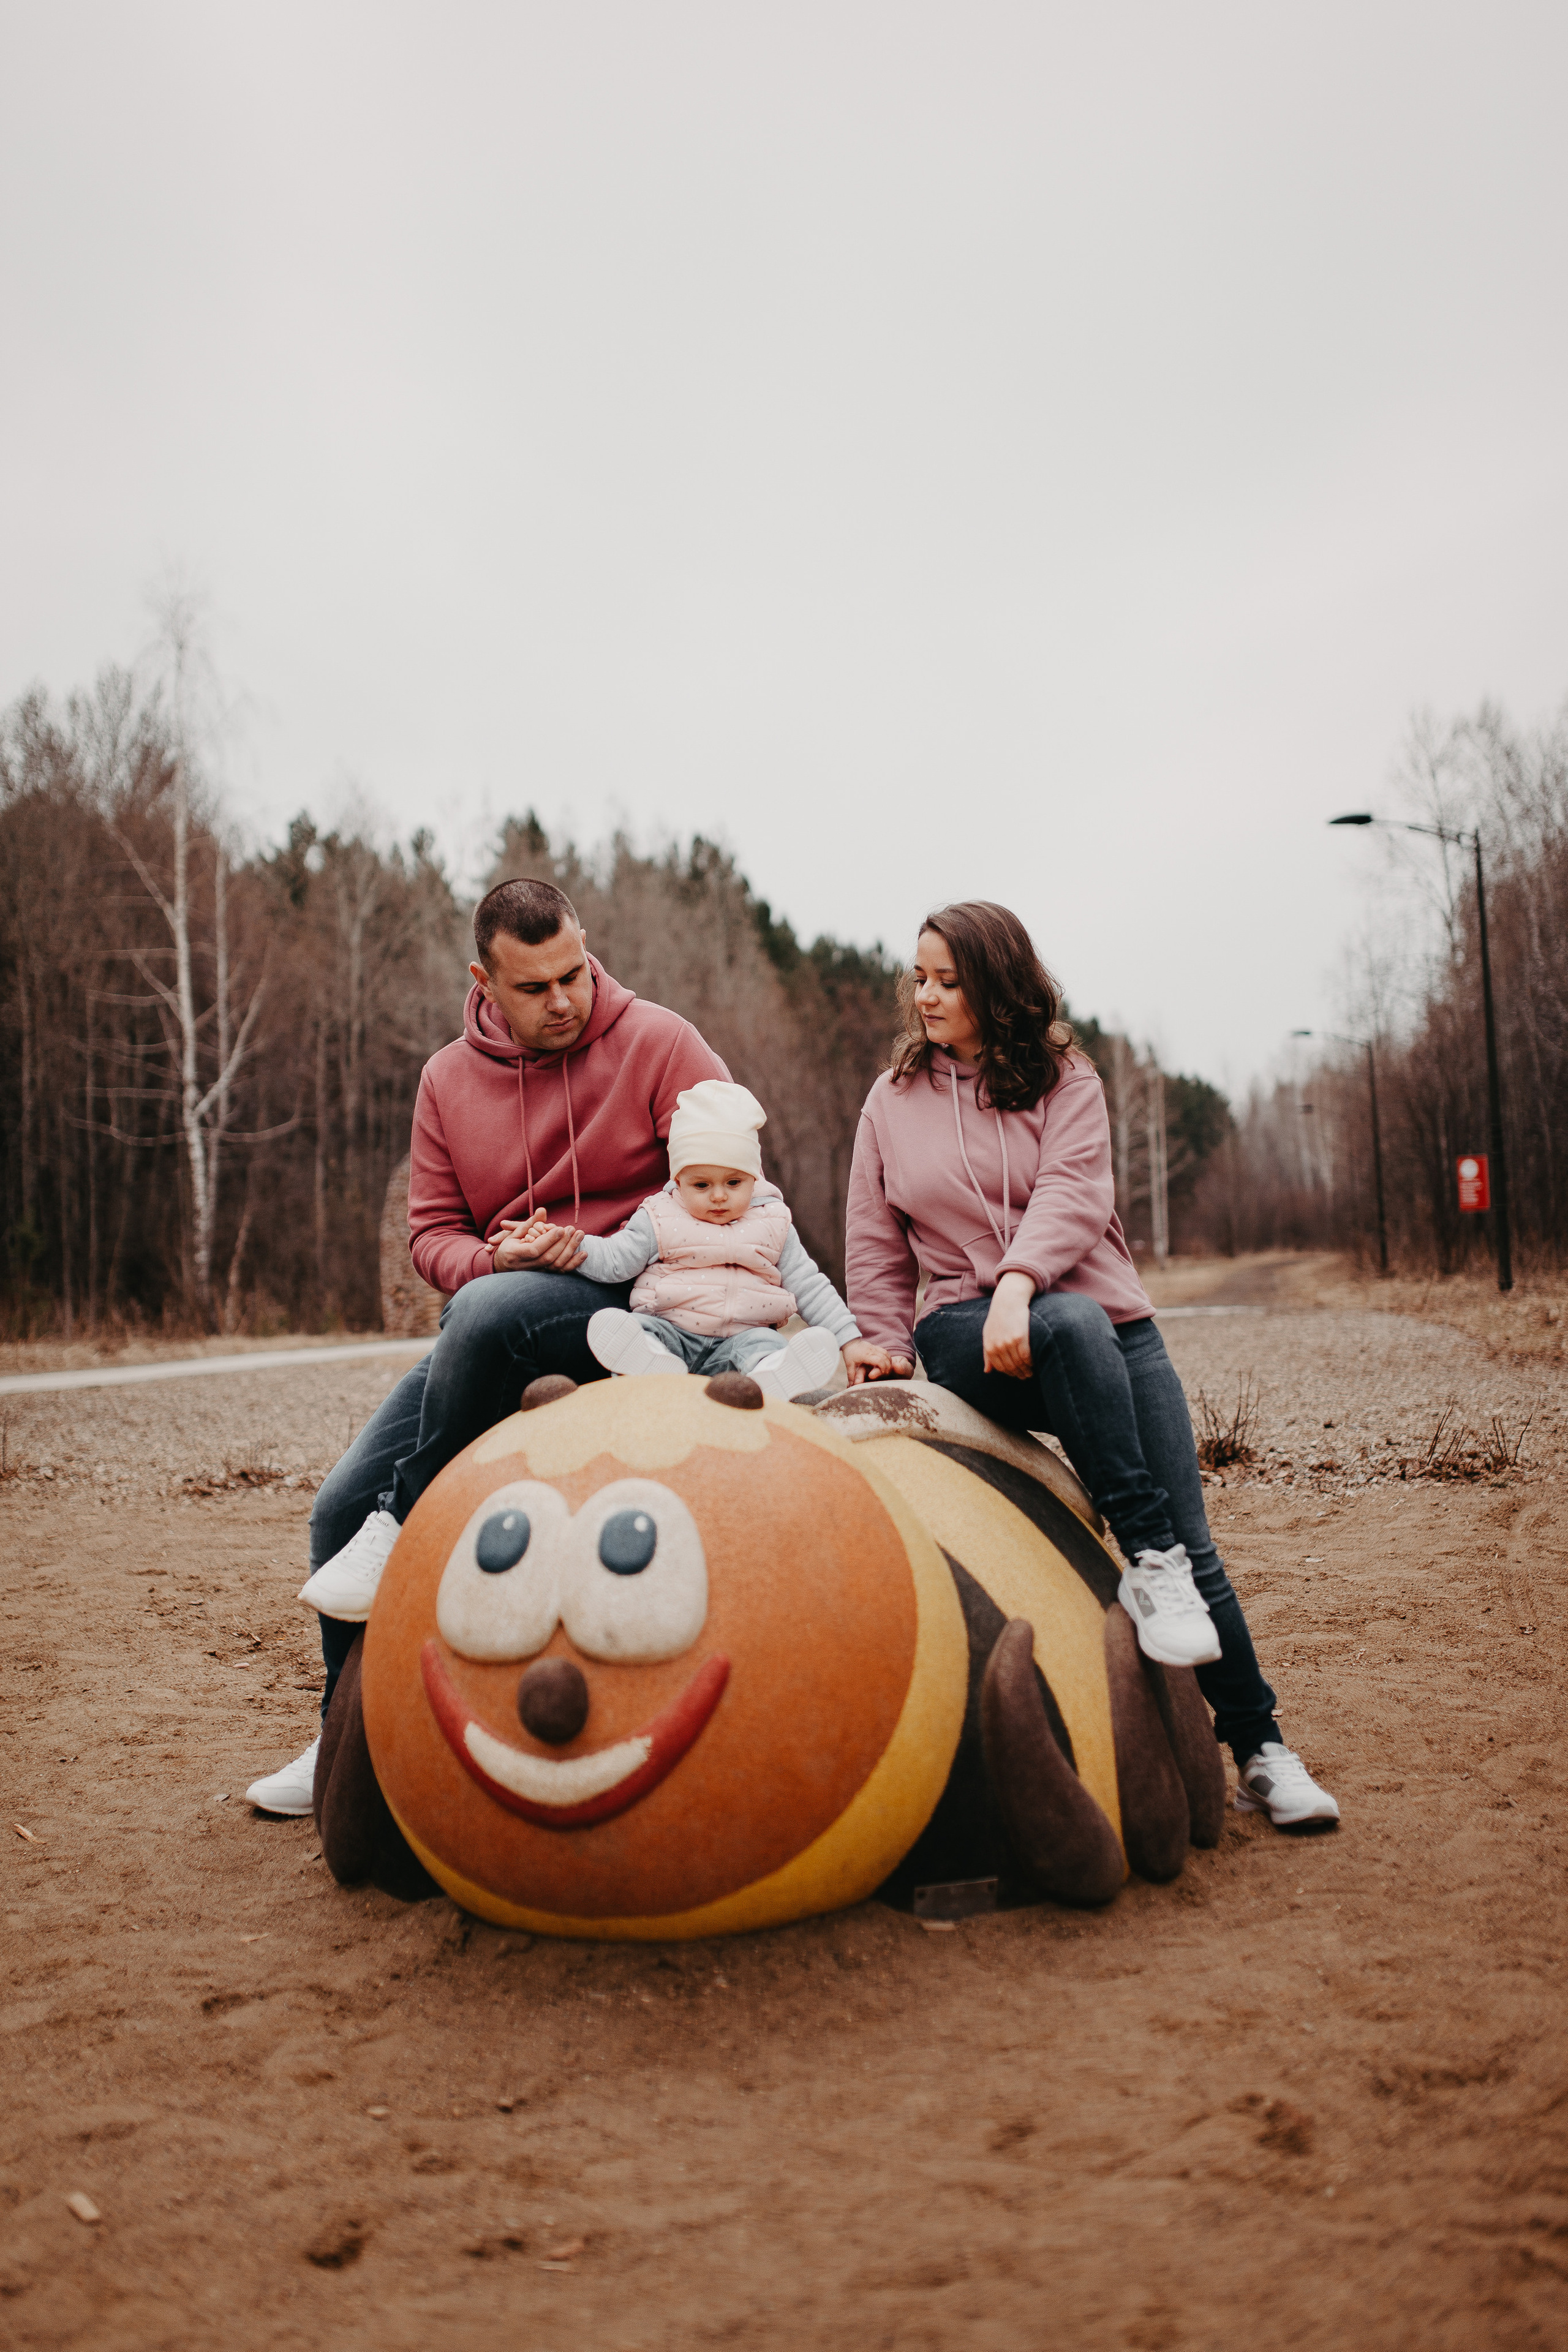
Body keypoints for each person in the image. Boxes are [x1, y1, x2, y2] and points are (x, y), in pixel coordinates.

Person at [844, 900, 1339, 1831]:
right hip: (965, 1339)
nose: (927, 995)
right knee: (1060, 1326)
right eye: (919, 977)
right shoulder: (890, 1101)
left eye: (949, 980)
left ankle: (1262, 1750)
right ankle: (1144, 1549)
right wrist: (880, 1337)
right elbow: (876, 1243)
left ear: (999, 987)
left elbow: (1074, 1193)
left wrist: (1020, 1284)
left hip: (1103, 1331)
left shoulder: (1067, 1080)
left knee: (1189, 1550)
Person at [244, 876, 728, 1816]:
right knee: (337, 1505)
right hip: (497, 1312)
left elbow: (731, 1189)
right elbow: (431, 1236)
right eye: (535, 987)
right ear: (484, 982)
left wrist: (595, 1246)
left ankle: (406, 1515)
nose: (565, 1001)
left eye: (575, 974)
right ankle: (347, 1739)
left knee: (492, 1314)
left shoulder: (663, 1042)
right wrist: (497, 1255)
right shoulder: (444, 1081)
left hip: (642, 1310)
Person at [578, 1077, 874, 1397]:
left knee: (767, 1345)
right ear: (679, 1180)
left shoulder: (773, 1222)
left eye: (734, 1183)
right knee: (641, 1330)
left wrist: (850, 1341)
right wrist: (568, 1245)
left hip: (742, 1342)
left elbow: (809, 1285)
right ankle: (651, 1367)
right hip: (672, 1333)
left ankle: (768, 1377)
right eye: (702, 1186)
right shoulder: (659, 1216)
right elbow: (615, 1259)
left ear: (753, 1177)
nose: (719, 1196)